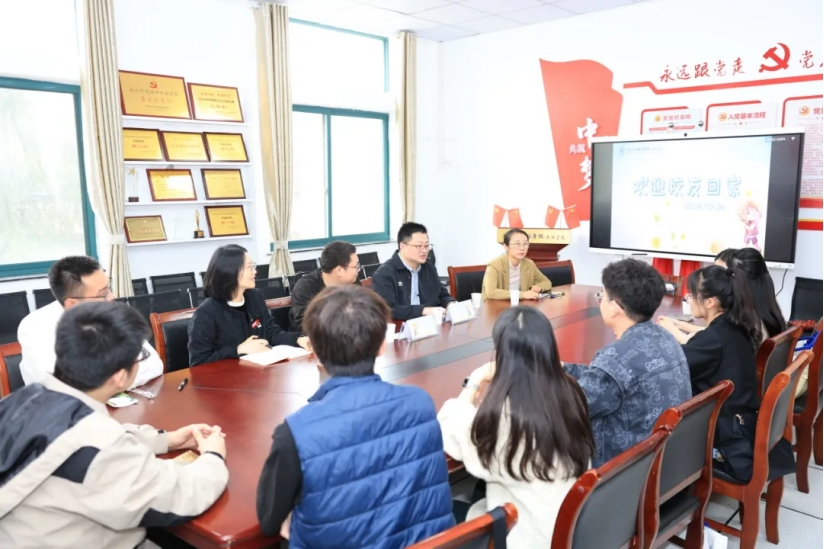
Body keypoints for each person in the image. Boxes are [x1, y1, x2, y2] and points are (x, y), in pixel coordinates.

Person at [0, 302, 228, 548]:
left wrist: (166, 439)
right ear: (120, 376)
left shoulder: (25, 399)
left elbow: (76, 435)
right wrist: (213, 456)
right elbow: (179, 496)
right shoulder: (99, 447)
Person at [256, 286, 454, 547]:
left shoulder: (297, 431)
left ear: (314, 350)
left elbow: (269, 520)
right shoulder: (420, 403)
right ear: (382, 345)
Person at [438, 307, 593, 546]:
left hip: (525, 537)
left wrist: (475, 381)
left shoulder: (506, 419)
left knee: (440, 508)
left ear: (502, 354)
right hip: (567, 528)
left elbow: (447, 427)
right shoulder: (570, 393)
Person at [563, 258, 691, 467]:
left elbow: (568, 409)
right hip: (669, 459)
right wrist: (563, 369)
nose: (600, 301)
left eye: (601, 296)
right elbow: (608, 378)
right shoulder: (665, 337)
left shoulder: (615, 357)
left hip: (625, 471)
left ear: (615, 308)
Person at [657, 266, 766, 482]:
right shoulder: (737, 326)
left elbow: (672, 370)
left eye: (692, 294)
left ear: (710, 302)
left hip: (728, 440)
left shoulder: (714, 338)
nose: (688, 298)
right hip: (744, 424)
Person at [17, 255, 163, 388]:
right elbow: (65, 387)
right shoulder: (34, 328)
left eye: (109, 289)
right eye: (103, 294)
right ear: (73, 304)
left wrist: (105, 384)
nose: (111, 297)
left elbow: (153, 364)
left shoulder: (111, 313)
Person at [188, 245, 309, 367]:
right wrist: (238, 349)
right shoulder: (206, 313)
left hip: (258, 371)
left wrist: (297, 339)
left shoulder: (255, 297)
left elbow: (271, 333)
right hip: (228, 376)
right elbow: (198, 362)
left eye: (253, 266)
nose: (254, 271)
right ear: (231, 272)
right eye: (249, 267)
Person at [372, 222, 455, 320]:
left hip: (431, 323)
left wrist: (450, 303)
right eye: (419, 246)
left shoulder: (429, 268)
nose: (424, 251)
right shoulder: (384, 273)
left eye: (426, 246)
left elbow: (442, 294)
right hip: (402, 326)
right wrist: (423, 310)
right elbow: (388, 309)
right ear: (403, 246)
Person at [288, 240, 360, 332]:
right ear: (339, 270)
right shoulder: (305, 288)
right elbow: (308, 327)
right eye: (355, 266)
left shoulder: (353, 282)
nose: (358, 269)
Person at [481, 229, 552, 302]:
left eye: (525, 244)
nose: (522, 248)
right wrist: (522, 295)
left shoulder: (529, 264)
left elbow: (546, 282)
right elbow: (491, 292)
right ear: (506, 246)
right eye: (517, 244)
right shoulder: (494, 265)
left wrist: (539, 287)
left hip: (520, 305)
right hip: (495, 305)